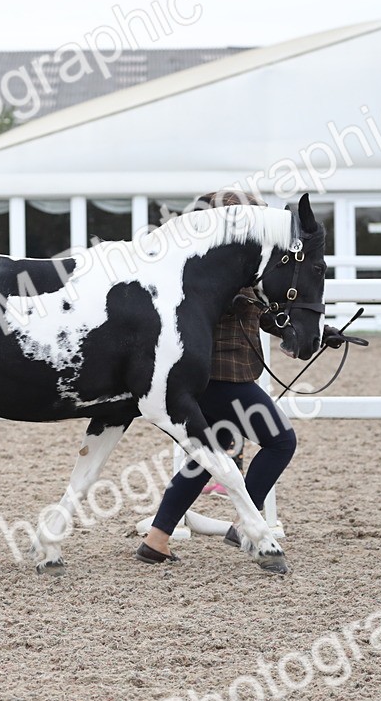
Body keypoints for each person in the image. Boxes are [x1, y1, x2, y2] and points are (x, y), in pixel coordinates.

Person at [135, 190, 362, 564]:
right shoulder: (219, 268)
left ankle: (157, 540)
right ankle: (246, 522)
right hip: (224, 377)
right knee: (280, 441)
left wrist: (320, 334)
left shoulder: (236, 268)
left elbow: (266, 315)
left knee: (204, 458)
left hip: (225, 375)